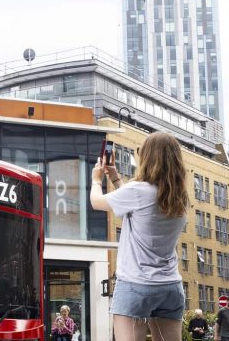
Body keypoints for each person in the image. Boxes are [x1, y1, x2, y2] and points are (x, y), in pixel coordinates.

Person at [91, 132, 188, 341]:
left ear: (148, 158)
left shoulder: (138, 191)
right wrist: (116, 178)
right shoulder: (179, 197)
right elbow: (140, 207)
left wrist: (96, 180)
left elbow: (97, 202)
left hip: (136, 285)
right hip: (170, 286)